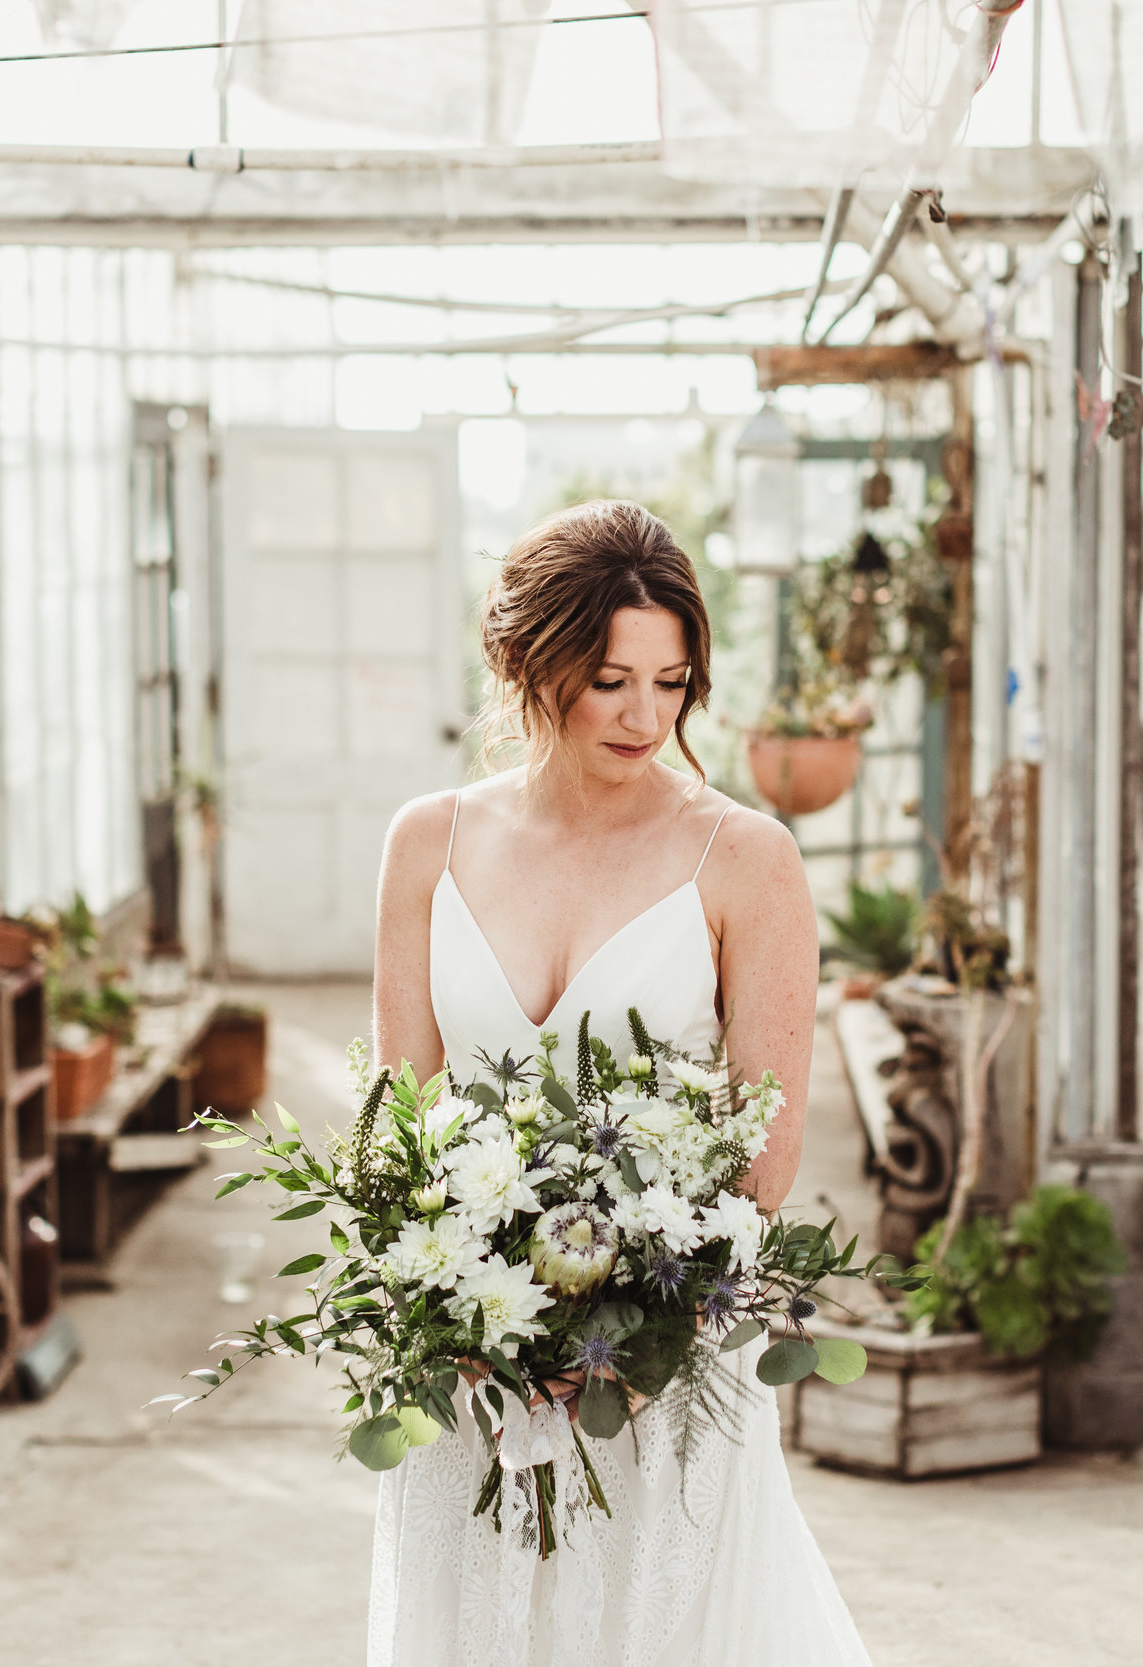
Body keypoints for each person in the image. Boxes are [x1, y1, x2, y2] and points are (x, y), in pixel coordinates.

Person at [365, 499, 872, 1666]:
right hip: (471, 1360)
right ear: (528, 663)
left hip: (665, 1366)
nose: (646, 715)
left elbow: (767, 1142)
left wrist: (647, 1341)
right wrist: (453, 1317)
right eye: (607, 679)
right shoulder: (425, 842)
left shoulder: (745, 857)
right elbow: (399, 1115)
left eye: (673, 680)